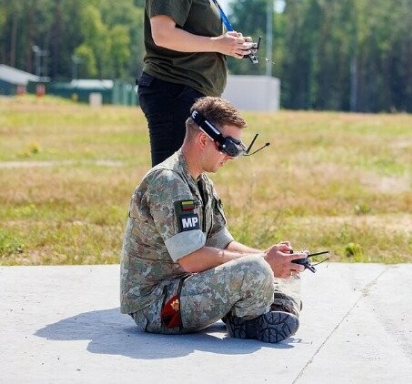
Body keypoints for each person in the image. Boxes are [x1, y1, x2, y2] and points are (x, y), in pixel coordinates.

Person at [120, 96, 308, 343]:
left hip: (187, 286)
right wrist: (262, 261)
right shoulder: (168, 182)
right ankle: (249, 318)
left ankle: (264, 312)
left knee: (287, 268)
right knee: (259, 268)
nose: (231, 156)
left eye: (238, 150)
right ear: (202, 139)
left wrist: (272, 257)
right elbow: (191, 259)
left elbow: (223, 243)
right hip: (158, 305)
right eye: (230, 147)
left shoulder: (201, 183)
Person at [136, 0, 257, 166]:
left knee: (187, 182)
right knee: (171, 182)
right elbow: (163, 35)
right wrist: (218, 44)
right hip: (173, 90)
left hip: (191, 93)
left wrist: (229, 45)